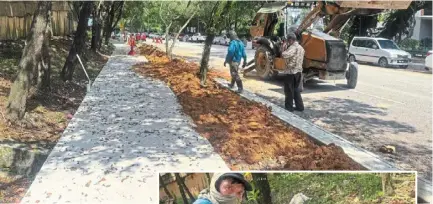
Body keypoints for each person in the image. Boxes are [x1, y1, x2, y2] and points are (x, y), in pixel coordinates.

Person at [281, 32, 305, 112]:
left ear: (291, 40)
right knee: (296, 90)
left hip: (291, 72)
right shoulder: (301, 48)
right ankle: (300, 107)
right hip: (299, 72)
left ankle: (289, 107)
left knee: (288, 90)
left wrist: (283, 48)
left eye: (288, 40)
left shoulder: (293, 47)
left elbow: (284, 55)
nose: (287, 42)